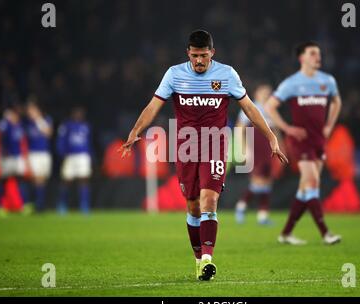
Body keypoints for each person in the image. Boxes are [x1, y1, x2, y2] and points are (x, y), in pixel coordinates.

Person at [118, 30, 288, 281]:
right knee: (192, 205)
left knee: (209, 201)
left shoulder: (227, 75)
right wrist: (134, 131)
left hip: (216, 144)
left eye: (204, 56)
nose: (199, 60)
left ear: (212, 54)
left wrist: (272, 136)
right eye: (195, 55)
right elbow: (153, 106)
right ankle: (199, 259)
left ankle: (208, 258)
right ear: (188, 53)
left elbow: (250, 109)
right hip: (185, 147)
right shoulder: (174, 74)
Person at [264, 41, 342, 245]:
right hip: (300, 141)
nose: (318, 57)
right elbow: (270, 106)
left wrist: (329, 126)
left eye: (319, 53)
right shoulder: (292, 83)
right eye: (313, 53)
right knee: (313, 182)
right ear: (302, 58)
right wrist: (287, 128)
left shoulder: (327, 81)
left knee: (305, 187)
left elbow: (337, 102)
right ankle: (326, 233)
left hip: (319, 139)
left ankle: (286, 233)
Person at [235, 84, 277, 225]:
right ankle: (241, 207)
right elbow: (239, 129)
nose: (266, 94)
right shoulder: (250, 107)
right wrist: (244, 149)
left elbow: (276, 131)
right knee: (257, 181)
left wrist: (280, 147)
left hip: (269, 150)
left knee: (267, 181)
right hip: (255, 149)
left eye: (268, 92)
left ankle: (262, 216)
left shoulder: (271, 110)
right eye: (263, 92)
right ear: (256, 94)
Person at [56, 106, 92, 214]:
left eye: (80, 113)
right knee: (66, 180)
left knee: (84, 180)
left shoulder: (86, 126)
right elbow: (61, 141)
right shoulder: (66, 126)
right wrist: (62, 153)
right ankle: (62, 204)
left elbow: (89, 142)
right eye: (77, 112)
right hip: (70, 156)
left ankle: (84, 205)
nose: (79, 114)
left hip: (83, 156)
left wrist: (90, 155)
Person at [0, 106, 27, 216]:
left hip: (17, 157)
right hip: (6, 157)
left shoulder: (19, 126)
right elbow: (0, 134)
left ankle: (23, 205)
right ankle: (0, 206)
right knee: (3, 181)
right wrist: (6, 119)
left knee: (20, 180)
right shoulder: (5, 125)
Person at [23, 97, 53, 212]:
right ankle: (31, 204)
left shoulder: (45, 120)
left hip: (44, 153)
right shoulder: (26, 123)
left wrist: (38, 119)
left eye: (32, 109)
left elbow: (48, 133)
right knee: (34, 179)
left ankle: (40, 205)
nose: (30, 112)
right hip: (32, 154)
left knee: (42, 179)